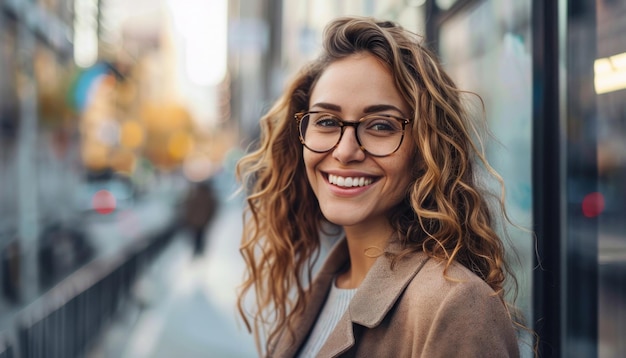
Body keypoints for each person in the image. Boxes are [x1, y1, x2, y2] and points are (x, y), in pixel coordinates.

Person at [237, 16, 524, 357]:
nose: (344, 151)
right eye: (327, 121)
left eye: (380, 126)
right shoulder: (316, 294)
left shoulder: (455, 305)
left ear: (424, 148)